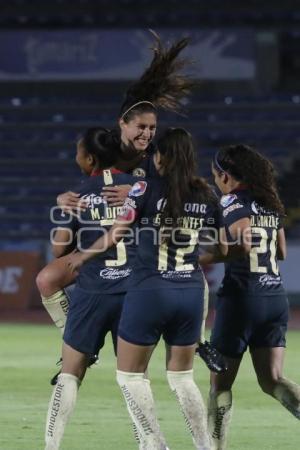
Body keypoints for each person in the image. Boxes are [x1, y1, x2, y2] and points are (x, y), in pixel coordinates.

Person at [68, 128, 224, 449]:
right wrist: (196, 256)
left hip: (150, 291)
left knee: (129, 375)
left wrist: (84, 254)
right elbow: (224, 247)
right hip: (191, 292)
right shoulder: (206, 195)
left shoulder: (144, 189)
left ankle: (155, 443)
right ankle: (206, 446)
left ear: (161, 157)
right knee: (182, 379)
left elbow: (116, 232)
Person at [44, 126, 141, 450]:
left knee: (70, 374)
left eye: (77, 152)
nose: (76, 157)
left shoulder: (79, 193)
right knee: (133, 378)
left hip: (93, 291)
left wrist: (64, 213)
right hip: (135, 292)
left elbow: (59, 250)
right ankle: (150, 443)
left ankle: (51, 446)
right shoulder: (139, 189)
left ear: (89, 158)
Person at [201, 144, 300, 450]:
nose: (216, 181)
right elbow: (281, 251)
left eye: (216, 175)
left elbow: (242, 243)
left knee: (220, 385)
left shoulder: (231, 200)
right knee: (272, 380)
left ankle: (214, 448)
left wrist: (195, 257)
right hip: (274, 298)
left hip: (242, 298)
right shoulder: (269, 202)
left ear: (227, 176)